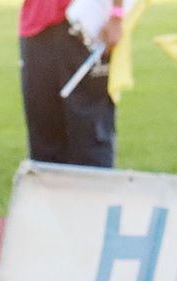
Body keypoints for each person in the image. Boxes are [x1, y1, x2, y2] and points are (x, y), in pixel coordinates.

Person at [19, 0, 127, 166]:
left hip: (85, 24)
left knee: (89, 138)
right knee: (44, 141)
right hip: (36, 26)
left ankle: (95, 192)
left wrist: (116, 15)